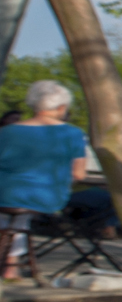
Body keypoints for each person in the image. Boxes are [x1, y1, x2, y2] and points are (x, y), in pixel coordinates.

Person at [0, 81, 88, 281]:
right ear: (61, 107)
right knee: (20, 212)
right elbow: (79, 175)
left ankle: (9, 264)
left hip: (4, 192)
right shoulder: (73, 133)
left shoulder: (7, 131)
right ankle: (10, 267)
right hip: (46, 195)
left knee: (10, 211)